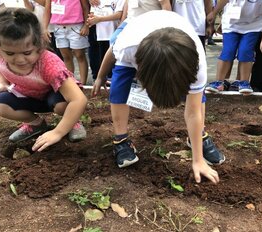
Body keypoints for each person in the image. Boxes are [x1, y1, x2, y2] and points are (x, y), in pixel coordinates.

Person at [92, 10, 223, 184]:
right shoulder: (127, 47)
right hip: (136, 29)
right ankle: (121, 139)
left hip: (175, 33)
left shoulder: (196, 62)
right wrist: (100, 77)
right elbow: (111, 52)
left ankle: (198, 136)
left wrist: (198, 160)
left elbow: (193, 111)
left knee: (198, 98)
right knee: (118, 86)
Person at [0, 8, 87, 152]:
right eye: (10, 53)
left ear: (39, 45)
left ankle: (72, 122)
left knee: (62, 105)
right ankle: (36, 124)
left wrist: (57, 132)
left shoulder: (48, 63)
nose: (19, 60)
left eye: (27, 53)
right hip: (28, 95)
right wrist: (2, 82)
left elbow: (79, 100)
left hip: (55, 95)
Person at [205, 0, 262, 94]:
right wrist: (214, 13)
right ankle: (219, 81)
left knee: (245, 51)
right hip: (231, 23)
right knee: (228, 50)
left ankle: (244, 82)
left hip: (253, 25)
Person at [43, 0, 90, 85]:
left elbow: (86, 7)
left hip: (76, 26)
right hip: (58, 28)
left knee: (80, 55)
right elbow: (47, 9)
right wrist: (44, 28)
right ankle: (71, 82)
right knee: (66, 56)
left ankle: (83, 83)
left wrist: (86, 25)